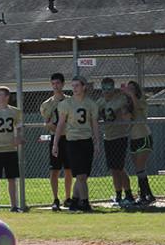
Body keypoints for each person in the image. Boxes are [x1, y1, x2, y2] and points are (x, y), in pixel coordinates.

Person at [52, 76, 100, 212]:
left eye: (77, 85)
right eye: (73, 86)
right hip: (72, 141)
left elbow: (95, 124)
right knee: (80, 175)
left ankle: (74, 201)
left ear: (84, 87)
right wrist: (55, 143)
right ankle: (84, 202)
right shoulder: (66, 104)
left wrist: (97, 142)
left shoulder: (91, 104)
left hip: (86, 140)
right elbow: (60, 125)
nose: (75, 88)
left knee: (83, 175)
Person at [97, 78, 134, 207]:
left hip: (120, 136)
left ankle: (129, 194)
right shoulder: (100, 102)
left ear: (113, 88)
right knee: (113, 169)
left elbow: (125, 111)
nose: (107, 91)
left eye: (109, 88)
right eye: (104, 88)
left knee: (119, 167)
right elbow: (94, 115)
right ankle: (118, 195)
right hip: (108, 137)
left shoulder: (120, 99)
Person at [40, 73, 71, 211]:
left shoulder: (70, 101)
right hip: (55, 139)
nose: (55, 86)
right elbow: (46, 122)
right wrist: (54, 127)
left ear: (63, 84)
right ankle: (55, 199)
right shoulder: (47, 104)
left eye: (58, 83)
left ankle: (68, 198)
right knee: (55, 170)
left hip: (69, 138)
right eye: (53, 84)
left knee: (69, 170)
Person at [123, 81, 156, 205]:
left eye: (132, 89)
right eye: (128, 89)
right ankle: (148, 195)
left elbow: (137, 108)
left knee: (140, 167)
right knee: (139, 169)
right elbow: (126, 118)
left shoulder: (141, 101)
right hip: (133, 139)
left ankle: (144, 195)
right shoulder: (127, 104)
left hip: (143, 136)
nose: (130, 90)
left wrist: (132, 95)